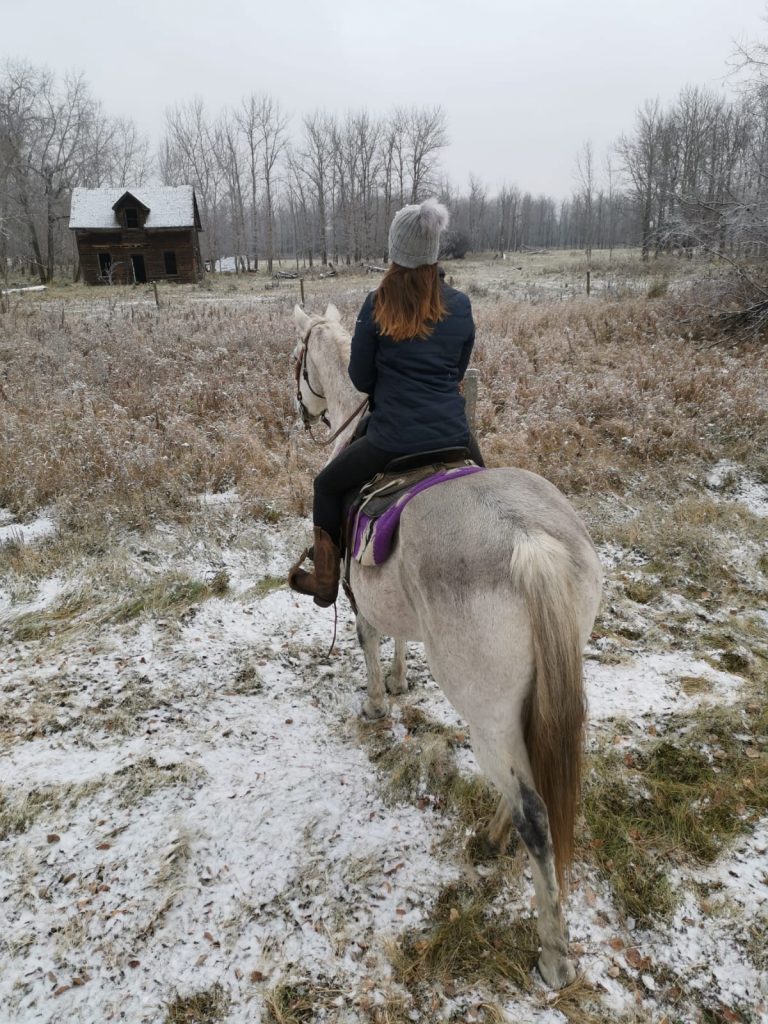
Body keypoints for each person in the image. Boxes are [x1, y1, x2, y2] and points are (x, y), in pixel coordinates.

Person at [289, 198, 484, 608]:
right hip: (454, 437)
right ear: (433, 255)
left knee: (325, 485)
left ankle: (325, 582)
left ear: (396, 254)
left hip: (393, 441)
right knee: (488, 486)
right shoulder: (461, 306)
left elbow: (360, 378)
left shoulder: (377, 306)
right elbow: (458, 369)